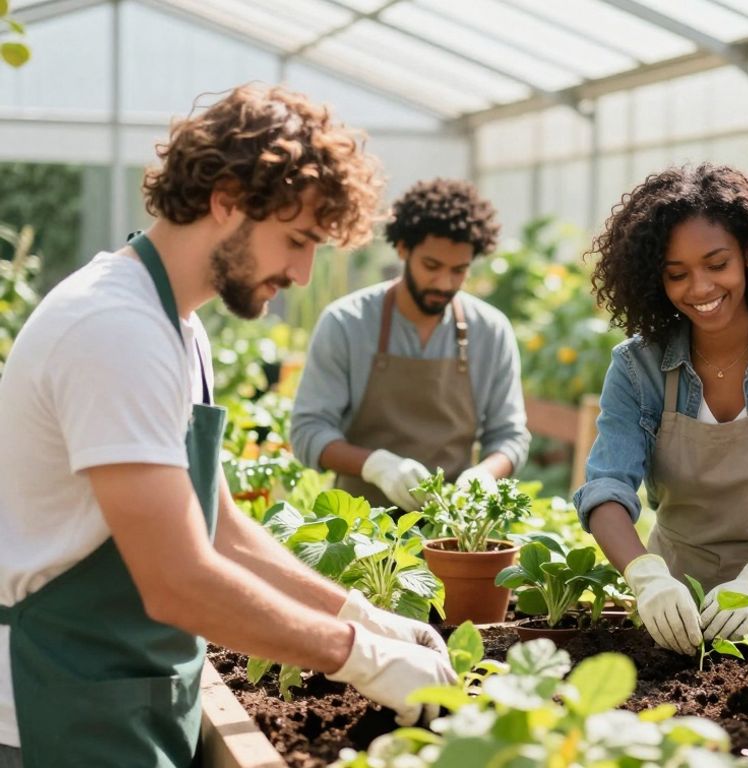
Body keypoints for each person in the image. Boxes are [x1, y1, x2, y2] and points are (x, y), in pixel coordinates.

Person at [0, 85, 456, 768]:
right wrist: (354, 656)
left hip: (129, 688)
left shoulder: (176, 325)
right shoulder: (113, 330)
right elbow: (176, 578)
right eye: (296, 240)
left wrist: (357, 612)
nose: (302, 273)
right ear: (226, 199)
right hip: (58, 703)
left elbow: (213, 525)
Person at [573, 164, 748, 655]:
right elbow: (606, 488)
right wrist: (646, 578)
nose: (700, 288)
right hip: (676, 611)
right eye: (676, 274)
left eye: (716, 263)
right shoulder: (637, 367)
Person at [291, 178, 530, 511]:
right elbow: (308, 431)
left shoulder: (490, 331)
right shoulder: (346, 323)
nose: (444, 283)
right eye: (431, 266)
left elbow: (510, 436)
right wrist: (376, 466)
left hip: (454, 525)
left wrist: (485, 475)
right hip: (359, 527)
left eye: (458, 270)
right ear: (403, 248)